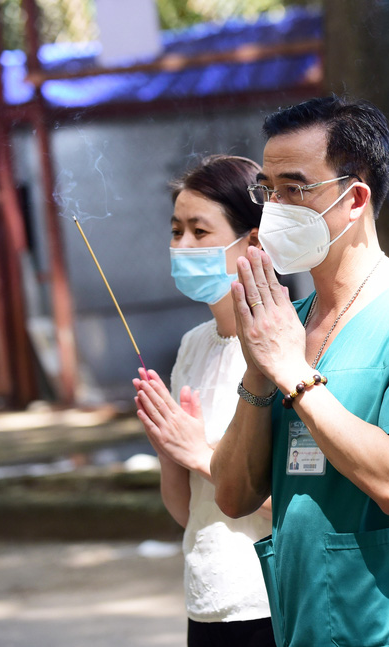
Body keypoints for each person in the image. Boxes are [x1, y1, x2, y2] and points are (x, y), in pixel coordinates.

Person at [210, 96, 389, 647]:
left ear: (355, 197)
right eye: (266, 190)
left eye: (294, 189)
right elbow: (233, 494)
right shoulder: (284, 324)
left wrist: (293, 373)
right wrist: (258, 372)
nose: (274, 208)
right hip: (308, 624)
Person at [132, 155, 275, 646]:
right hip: (206, 600)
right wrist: (168, 445)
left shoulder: (285, 344)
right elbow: (184, 509)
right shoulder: (193, 344)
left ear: (253, 241)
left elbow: (303, 502)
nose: (183, 246)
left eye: (199, 231)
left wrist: (199, 453)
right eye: (176, 232)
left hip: (270, 599)